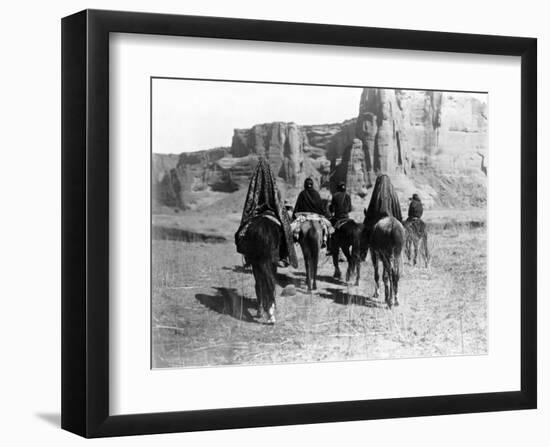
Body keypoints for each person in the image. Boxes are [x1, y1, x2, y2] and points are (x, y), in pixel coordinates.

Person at [292, 177, 332, 248]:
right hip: (316, 216)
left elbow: (297, 207)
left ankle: (294, 240)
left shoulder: (302, 194)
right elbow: (321, 207)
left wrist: (293, 216)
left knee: (291, 228)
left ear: (305, 185)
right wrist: (323, 214)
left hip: (304, 216)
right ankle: (325, 241)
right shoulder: (316, 194)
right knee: (328, 227)